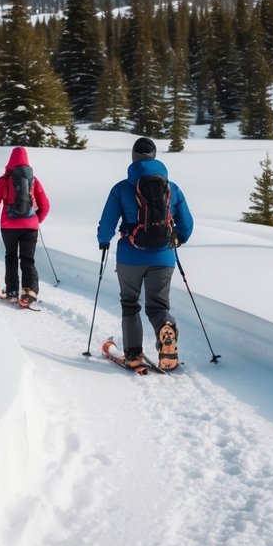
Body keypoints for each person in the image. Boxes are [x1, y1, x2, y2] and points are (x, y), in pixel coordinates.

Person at [97, 137, 193, 371]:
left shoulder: (121, 188)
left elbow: (107, 225)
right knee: (158, 306)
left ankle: (133, 354)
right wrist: (178, 239)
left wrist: (103, 241)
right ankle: (165, 328)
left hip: (130, 257)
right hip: (164, 257)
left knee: (130, 304)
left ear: (133, 157)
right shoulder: (172, 188)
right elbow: (187, 223)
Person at [0, 146, 50, 307]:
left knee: (11, 256)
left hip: (8, 226)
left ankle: (12, 291)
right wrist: (36, 220)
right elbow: (45, 205)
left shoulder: (4, 179)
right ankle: (29, 293)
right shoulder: (34, 180)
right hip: (30, 227)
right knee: (28, 260)